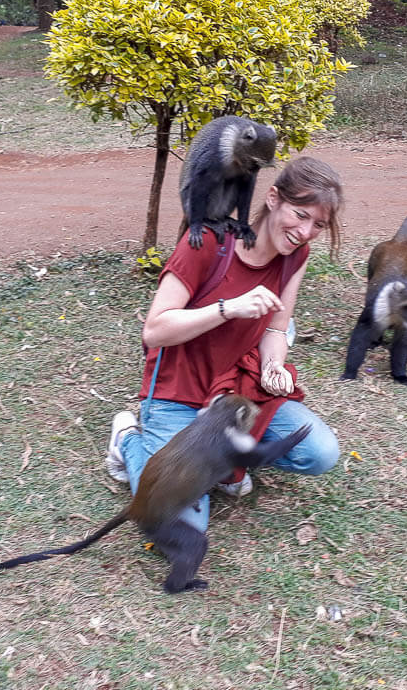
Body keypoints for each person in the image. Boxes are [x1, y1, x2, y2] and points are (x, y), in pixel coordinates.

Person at [105, 156, 344, 533]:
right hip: (176, 392)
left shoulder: (295, 257)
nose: (305, 232)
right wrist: (227, 309)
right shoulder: (209, 243)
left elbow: (277, 330)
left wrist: (272, 366)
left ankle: (218, 464)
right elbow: (154, 330)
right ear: (272, 198)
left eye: (318, 224)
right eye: (300, 215)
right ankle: (128, 441)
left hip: (233, 396)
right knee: (181, 522)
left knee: (320, 453)